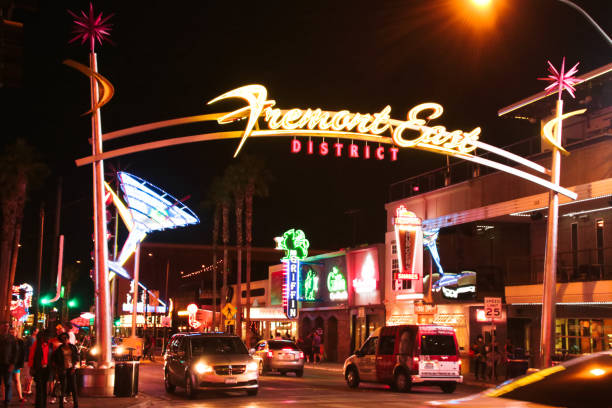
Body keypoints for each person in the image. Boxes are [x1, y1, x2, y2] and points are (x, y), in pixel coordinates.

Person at [51, 333, 78, 408]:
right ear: (61, 340)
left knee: (74, 387)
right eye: (63, 338)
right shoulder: (59, 349)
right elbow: (54, 360)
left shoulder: (73, 347)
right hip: (63, 370)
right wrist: (58, 369)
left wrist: (74, 367)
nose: (65, 339)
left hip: (71, 369)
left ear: (68, 338)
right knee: (63, 387)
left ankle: (76, 404)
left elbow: (76, 358)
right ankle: (61, 404)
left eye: (66, 338)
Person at [29, 330, 51, 408]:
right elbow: (31, 356)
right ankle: (39, 405)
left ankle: (43, 404)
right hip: (38, 369)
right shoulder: (36, 345)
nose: (45, 338)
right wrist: (31, 367)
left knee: (44, 387)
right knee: (39, 387)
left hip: (46, 369)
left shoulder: (49, 345)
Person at [0, 322, 16, 407]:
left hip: (8, 363)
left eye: (7, 326)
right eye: (4, 326)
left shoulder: (12, 338)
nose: (5, 328)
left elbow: (15, 352)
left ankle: (7, 401)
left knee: (8, 383)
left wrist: (12, 364)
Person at [8, 327, 26, 402]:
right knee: (6, 381)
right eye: (10, 332)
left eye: (13, 332)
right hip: (7, 363)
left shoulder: (20, 341)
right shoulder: (6, 340)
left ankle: (20, 396)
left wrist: (21, 365)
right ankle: (6, 398)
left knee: (17, 380)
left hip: (16, 364)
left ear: (16, 332)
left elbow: (22, 354)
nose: (12, 334)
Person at [23, 328, 38, 395]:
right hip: (29, 359)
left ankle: (27, 389)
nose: (38, 331)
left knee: (28, 375)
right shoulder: (32, 339)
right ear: (34, 331)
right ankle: (27, 389)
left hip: (28, 358)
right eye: (37, 330)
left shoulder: (32, 338)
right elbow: (31, 349)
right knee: (29, 375)